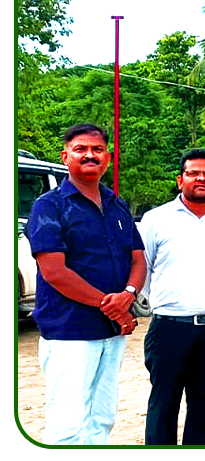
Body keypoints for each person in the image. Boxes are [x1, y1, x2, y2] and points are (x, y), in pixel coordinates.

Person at [25, 123, 145, 445]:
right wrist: (114, 308)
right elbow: (55, 272)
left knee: (102, 418)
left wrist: (129, 295)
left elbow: (137, 259)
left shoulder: (117, 205)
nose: (89, 155)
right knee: (68, 425)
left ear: (108, 158)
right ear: (65, 156)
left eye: (97, 150)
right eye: (80, 149)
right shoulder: (49, 206)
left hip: (112, 332)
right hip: (71, 331)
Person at [140, 149, 205, 445]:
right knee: (164, 402)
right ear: (180, 180)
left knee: (202, 402)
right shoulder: (156, 219)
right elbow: (143, 269)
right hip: (169, 328)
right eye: (193, 173)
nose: (201, 178)